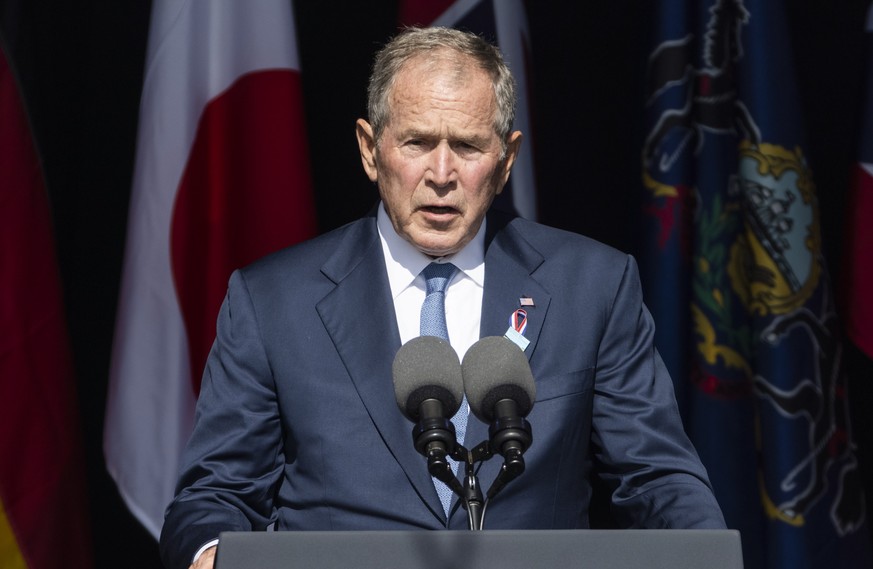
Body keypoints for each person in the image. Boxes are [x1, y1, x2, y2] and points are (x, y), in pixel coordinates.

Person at [159, 26, 726, 569]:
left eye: (468, 146)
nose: (441, 172)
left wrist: (706, 556)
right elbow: (215, 494)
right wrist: (210, 554)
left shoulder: (594, 286)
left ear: (506, 161)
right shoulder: (272, 302)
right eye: (418, 142)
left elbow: (658, 479)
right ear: (369, 149)